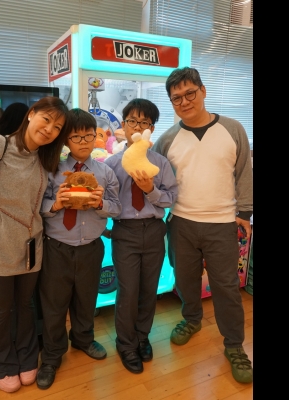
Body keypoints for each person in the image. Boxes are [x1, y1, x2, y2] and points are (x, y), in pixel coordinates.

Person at [151, 67, 254, 384]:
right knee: (184, 279)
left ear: (203, 90)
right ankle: (192, 318)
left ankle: (234, 345)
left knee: (226, 287)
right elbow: (154, 178)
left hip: (222, 223)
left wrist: (245, 212)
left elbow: (244, 172)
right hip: (181, 223)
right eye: (176, 98)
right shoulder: (167, 139)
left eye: (189, 93)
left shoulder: (232, 129)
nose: (184, 101)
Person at [0, 96, 69, 393]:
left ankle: (26, 355)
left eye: (57, 127)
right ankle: (1, 361)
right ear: (32, 114)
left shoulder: (45, 159)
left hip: (32, 246)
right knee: (0, 310)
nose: (49, 130)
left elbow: (40, 206)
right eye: (47, 120)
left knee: (25, 305)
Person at [36, 108, 122, 390]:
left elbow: (117, 208)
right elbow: (37, 206)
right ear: (65, 140)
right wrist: (56, 204)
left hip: (91, 248)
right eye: (76, 137)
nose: (84, 142)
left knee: (86, 298)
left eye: (88, 136)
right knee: (54, 303)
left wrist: (100, 204)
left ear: (97, 136)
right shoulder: (52, 170)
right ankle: (52, 355)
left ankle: (83, 339)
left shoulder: (105, 172)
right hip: (57, 248)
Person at [103, 98, 178, 374]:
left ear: (151, 129)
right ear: (124, 125)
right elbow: (105, 201)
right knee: (128, 290)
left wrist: (150, 190)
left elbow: (170, 198)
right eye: (132, 121)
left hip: (154, 230)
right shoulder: (111, 164)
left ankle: (142, 337)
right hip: (125, 231)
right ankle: (126, 344)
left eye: (144, 122)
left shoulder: (160, 163)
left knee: (149, 289)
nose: (137, 126)